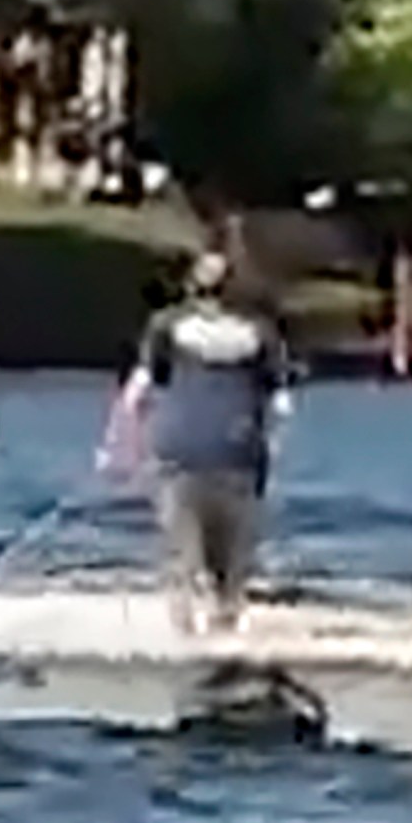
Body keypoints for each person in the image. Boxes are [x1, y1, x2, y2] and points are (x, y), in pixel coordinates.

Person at [98, 251, 293, 634]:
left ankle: (184, 639)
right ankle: (225, 626)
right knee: (231, 566)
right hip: (240, 453)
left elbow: (136, 394)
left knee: (181, 556)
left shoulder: (166, 327)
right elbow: (283, 406)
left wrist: (115, 446)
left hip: (178, 451)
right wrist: (268, 447)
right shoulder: (262, 335)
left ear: (191, 286)